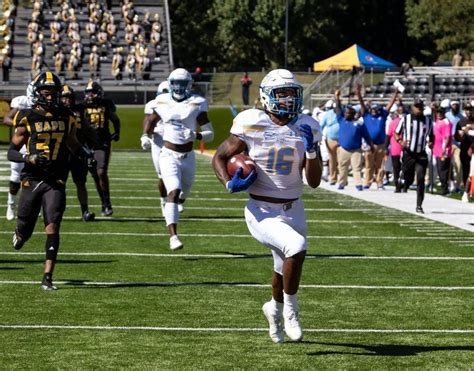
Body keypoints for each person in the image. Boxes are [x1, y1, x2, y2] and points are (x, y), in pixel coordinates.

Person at [212, 69, 322, 343]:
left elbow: (315, 182)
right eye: (281, 94)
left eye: (292, 93)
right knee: (295, 247)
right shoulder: (251, 122)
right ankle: (292, 311)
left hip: (294, 208)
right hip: (260, 209)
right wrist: (228, 183)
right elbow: (220, 156)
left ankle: (273, 309)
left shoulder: (308, 125)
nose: (287, 99)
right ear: (266, 96)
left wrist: (311, 151)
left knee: (280, 267)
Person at [7, 71, 92, 290]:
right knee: (25, 226)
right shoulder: (27, 116)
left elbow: (72, 143)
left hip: (56, 178)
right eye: (46, 92)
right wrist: (29, 157)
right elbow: (11, 152)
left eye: (53, 93)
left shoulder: (66, 115)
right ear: (37, 93)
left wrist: (85, 154)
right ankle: (20, 234)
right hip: (32, 177)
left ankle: (47, 277)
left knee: (52, 225)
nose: (50, 97)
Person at [141, 68, 214, 250]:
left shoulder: (197, 103)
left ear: (189, 84)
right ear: (170, 83)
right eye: (176, 83)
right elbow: (151, 119)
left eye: (182, 83)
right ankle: (173, 236)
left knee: (183, 193)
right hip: (168, 154)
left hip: (188, 157)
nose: (179, 87)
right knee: (173, 191)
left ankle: (175, 205)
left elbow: (210, 134)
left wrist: (196, 136)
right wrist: (144, 135)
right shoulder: (162, 101)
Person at [82, 80, 121, 216]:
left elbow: (115, 119)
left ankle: (107, 203)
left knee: (101, 172)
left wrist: (116, 133)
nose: (90, 95)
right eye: (88, 93)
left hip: (102, 142)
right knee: (94, 175)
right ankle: (104, 203)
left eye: (92, 92)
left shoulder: (106, 104)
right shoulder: (83, 106)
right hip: (87, 143)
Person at [60, 84, 97, 220]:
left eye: (70, 98)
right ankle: (56, 210)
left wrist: (94, 146)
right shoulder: (56, 110)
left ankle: (85, 211)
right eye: (65, 98)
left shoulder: (79, 110)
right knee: (59, 183)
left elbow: (86, 128)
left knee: (80, 182)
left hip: (77, 151)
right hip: (61, 152)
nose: (68, 100)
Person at [2, 82, 35, 220]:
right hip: (22, 142)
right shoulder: (22, 102)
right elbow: (6, 119)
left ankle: (36, 206)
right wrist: (24, 125)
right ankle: (11, 204)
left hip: (37, 144)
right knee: (16, 177)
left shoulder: (48, 105)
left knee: (37, 177)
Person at [395, 98, 433, 213]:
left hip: (421, 154)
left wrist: (431, 143)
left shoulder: (428, 121)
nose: (418, 109)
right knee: (409, 179)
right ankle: (404, 181)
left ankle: (419, 205)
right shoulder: (405, 119)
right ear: (412, 107)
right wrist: (400, 141)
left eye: (420, 107)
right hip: (409, 153)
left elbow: (432, 137)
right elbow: (396, 133)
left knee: (421, 178)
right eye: (416, 106)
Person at [140, 80, 173, 215]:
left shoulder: (179, 104)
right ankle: (164, 200)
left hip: (174, 139)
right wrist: (144, 135)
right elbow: (148, 120)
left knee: (179, 172)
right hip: (158, 140)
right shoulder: (152, 105)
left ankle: (175, 200)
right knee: (162, 174)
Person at [357, 85, 399, 190]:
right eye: (373, 109)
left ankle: (379, 183)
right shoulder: (366, 115)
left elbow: (390, 105)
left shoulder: (383, 115)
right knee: (368, 165)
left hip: (380, 144)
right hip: (369, 144)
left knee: (380, 165)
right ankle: (367, 182)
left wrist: (395, 95)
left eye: (376, 109)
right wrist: (358, 94)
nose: (374, 110)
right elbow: (362, 105)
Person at [334, 89, 373, 191]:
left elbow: (366, 136)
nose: (346, 114)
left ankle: (358, 184)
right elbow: (338, 109)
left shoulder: (359, 123)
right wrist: (337, 97)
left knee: (357, 168)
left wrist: (371, 146)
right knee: (342, 167)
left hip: (356, 149)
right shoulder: (341, 120)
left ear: (352, 114)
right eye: (345, 112)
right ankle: (342, 183)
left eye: (348, 113)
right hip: (344, 148)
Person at [455, 102, 474, 203]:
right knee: (467, 171)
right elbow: (456, 136)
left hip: (472, 149)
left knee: (471, 172)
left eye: (470, 109)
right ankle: (466, 192)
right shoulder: (461, 122)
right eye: (466, 109)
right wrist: (459, 136)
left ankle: (468, 192)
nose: (468, 111)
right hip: (465, 149)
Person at [433, 107, 453, 195]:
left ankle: (445, 189)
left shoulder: (446, 122)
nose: (439, 114)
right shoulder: (437, 121)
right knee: (440, 169)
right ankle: (443, 187)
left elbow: (447, 137)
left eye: (441, 112)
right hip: (437, 149)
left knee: (443, 169)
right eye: (437, 112)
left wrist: (444, 149)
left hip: (443, 149)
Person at [319, 99, 339, 185]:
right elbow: (321, 126)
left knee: (341, 160)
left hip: (341, 139)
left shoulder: (341, 113)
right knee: (332, 159)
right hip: (329, 138)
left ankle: (341, 178)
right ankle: (333, 178)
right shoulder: (326, 114)